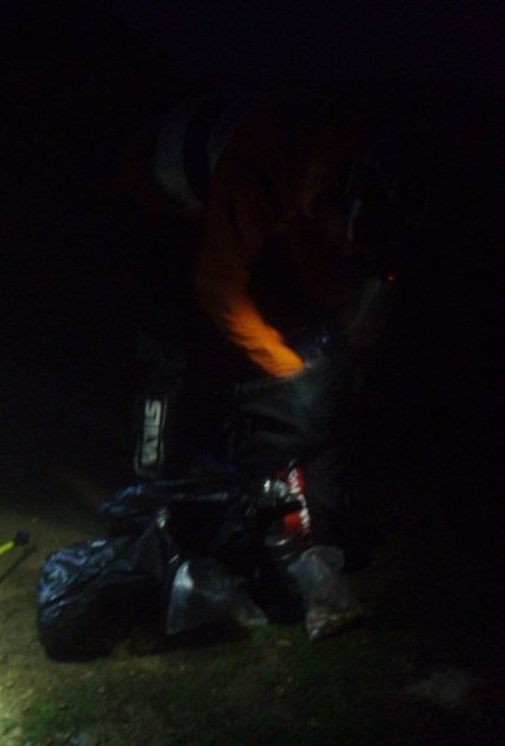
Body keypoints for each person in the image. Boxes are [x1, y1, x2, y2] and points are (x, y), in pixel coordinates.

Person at [129, 92, 426, 638]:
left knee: (267, 332)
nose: (346, 244)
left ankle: (238, 475)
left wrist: (334, 321)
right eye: (350, 233)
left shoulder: (321, 167)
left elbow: (312, 249)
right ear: (342, 204)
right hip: (155, 198)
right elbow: (217, 287)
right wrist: (288, 367)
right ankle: (153, 494)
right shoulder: (261, 169)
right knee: (168, 349)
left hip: (223, 191)